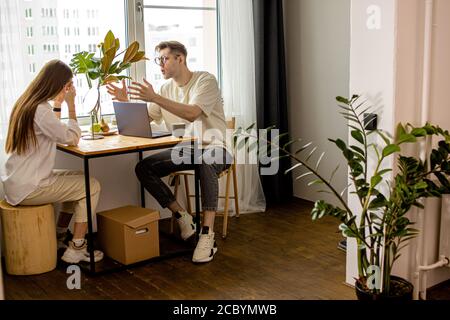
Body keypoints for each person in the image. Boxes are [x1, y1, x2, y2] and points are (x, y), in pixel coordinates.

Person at [107, 41, 232, 263]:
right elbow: (145, 119)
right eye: (158, 60)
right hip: (186, 150)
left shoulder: (205, 80)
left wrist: (154, 97)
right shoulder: (166, 89)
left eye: (164, 59)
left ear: (180, 59)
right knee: (144, 167)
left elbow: (192, 113)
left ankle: (206, 235)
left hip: (216, 148)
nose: (160, 65)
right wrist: (124, 101)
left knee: (205, 161)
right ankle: (182, 215)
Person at [2, 60, 104, 264]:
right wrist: (71, 105)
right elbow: (71, 138)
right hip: (29, 188)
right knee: (91, 186)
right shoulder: (40, 110)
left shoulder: (27, 103)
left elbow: (53, 129)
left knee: (79, 181)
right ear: (57, 83)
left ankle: (59, 236)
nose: (68, 89)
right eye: (67, 85)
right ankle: (77, 247)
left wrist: (58, 104)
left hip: (18, 182)